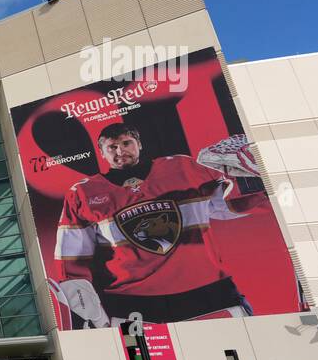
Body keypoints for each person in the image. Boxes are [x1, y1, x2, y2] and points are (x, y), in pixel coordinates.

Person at [52, 123, 270, 328]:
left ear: (139, 144)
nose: (120, 151)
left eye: (126, 143)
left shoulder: (184, 167)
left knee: (243, 359)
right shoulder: (82, 193)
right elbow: (71, 265)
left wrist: (268, 184)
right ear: (102, 153)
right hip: (134, 307)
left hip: (210, 293)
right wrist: (96, 319)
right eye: (112, 147)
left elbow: (222, 206)